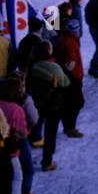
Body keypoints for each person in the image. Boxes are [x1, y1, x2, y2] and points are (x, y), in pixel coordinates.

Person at [0, 74, 42, 194]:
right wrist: (27, 129)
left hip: (0, 138)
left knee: (6, 169)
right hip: (19, 138)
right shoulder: (24, 100)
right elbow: (34, 117)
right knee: (27, 167)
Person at [27, 41, 69, 171]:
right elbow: (65, 83)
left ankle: (33, 143)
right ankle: (47, 162)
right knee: (50, 134)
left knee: (35, 126)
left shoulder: (33, 66)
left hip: (37, 104)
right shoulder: (54, 67)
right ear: (48, 51)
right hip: (53, 106)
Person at [54, 14, 86, 138]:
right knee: (77, 102)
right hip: (72, 78)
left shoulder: (63, 38)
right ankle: (70, 127)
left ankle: (68, 125)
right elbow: (71, 63)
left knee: (70, 102)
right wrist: (75, 75)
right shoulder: (72, 43)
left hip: (65, 76)